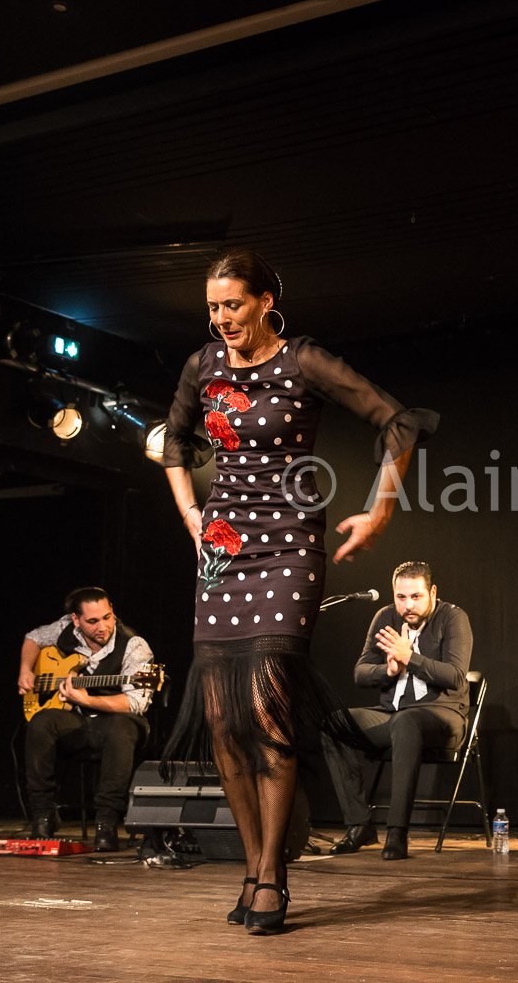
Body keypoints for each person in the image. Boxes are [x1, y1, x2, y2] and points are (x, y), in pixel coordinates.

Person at [161, 248, 435, 934]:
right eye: (213, 307)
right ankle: (252, 867)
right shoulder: (202, 365)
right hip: (222, 550)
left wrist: (379, 512)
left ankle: (274, 876)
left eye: (233, 304)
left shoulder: (302, 361)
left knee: (267, 711)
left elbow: (397, 421)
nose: (222, 318)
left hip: (287, 543)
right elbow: (174, 441)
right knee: (223, 721)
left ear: (265, 302)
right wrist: (191, 513)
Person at [321, 561, 472, 861]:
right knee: (335, 723)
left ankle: (397, 831)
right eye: (401, 597)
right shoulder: (385, 617)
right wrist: (387, 671)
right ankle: (359, 825)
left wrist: (409, 657)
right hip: (393, 713)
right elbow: (360, 672)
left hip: (443, 715)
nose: (408, 605)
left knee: (406, 722)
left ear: (432, 592)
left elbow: (456, 676)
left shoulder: (453, 618)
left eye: (416, 596)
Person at [16, 586, 154, 851]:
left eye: (107, 617)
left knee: (121, 728)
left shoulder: (134, 646)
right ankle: (43, 815)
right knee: (41, 723)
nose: (102, 626)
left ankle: (106, 822)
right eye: (92, 621)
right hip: (77, 721)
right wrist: (25, 670)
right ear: (76, 620)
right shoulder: (65, 628)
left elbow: (136, 702)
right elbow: (33, 638)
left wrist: (86, 699)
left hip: (115, 721)